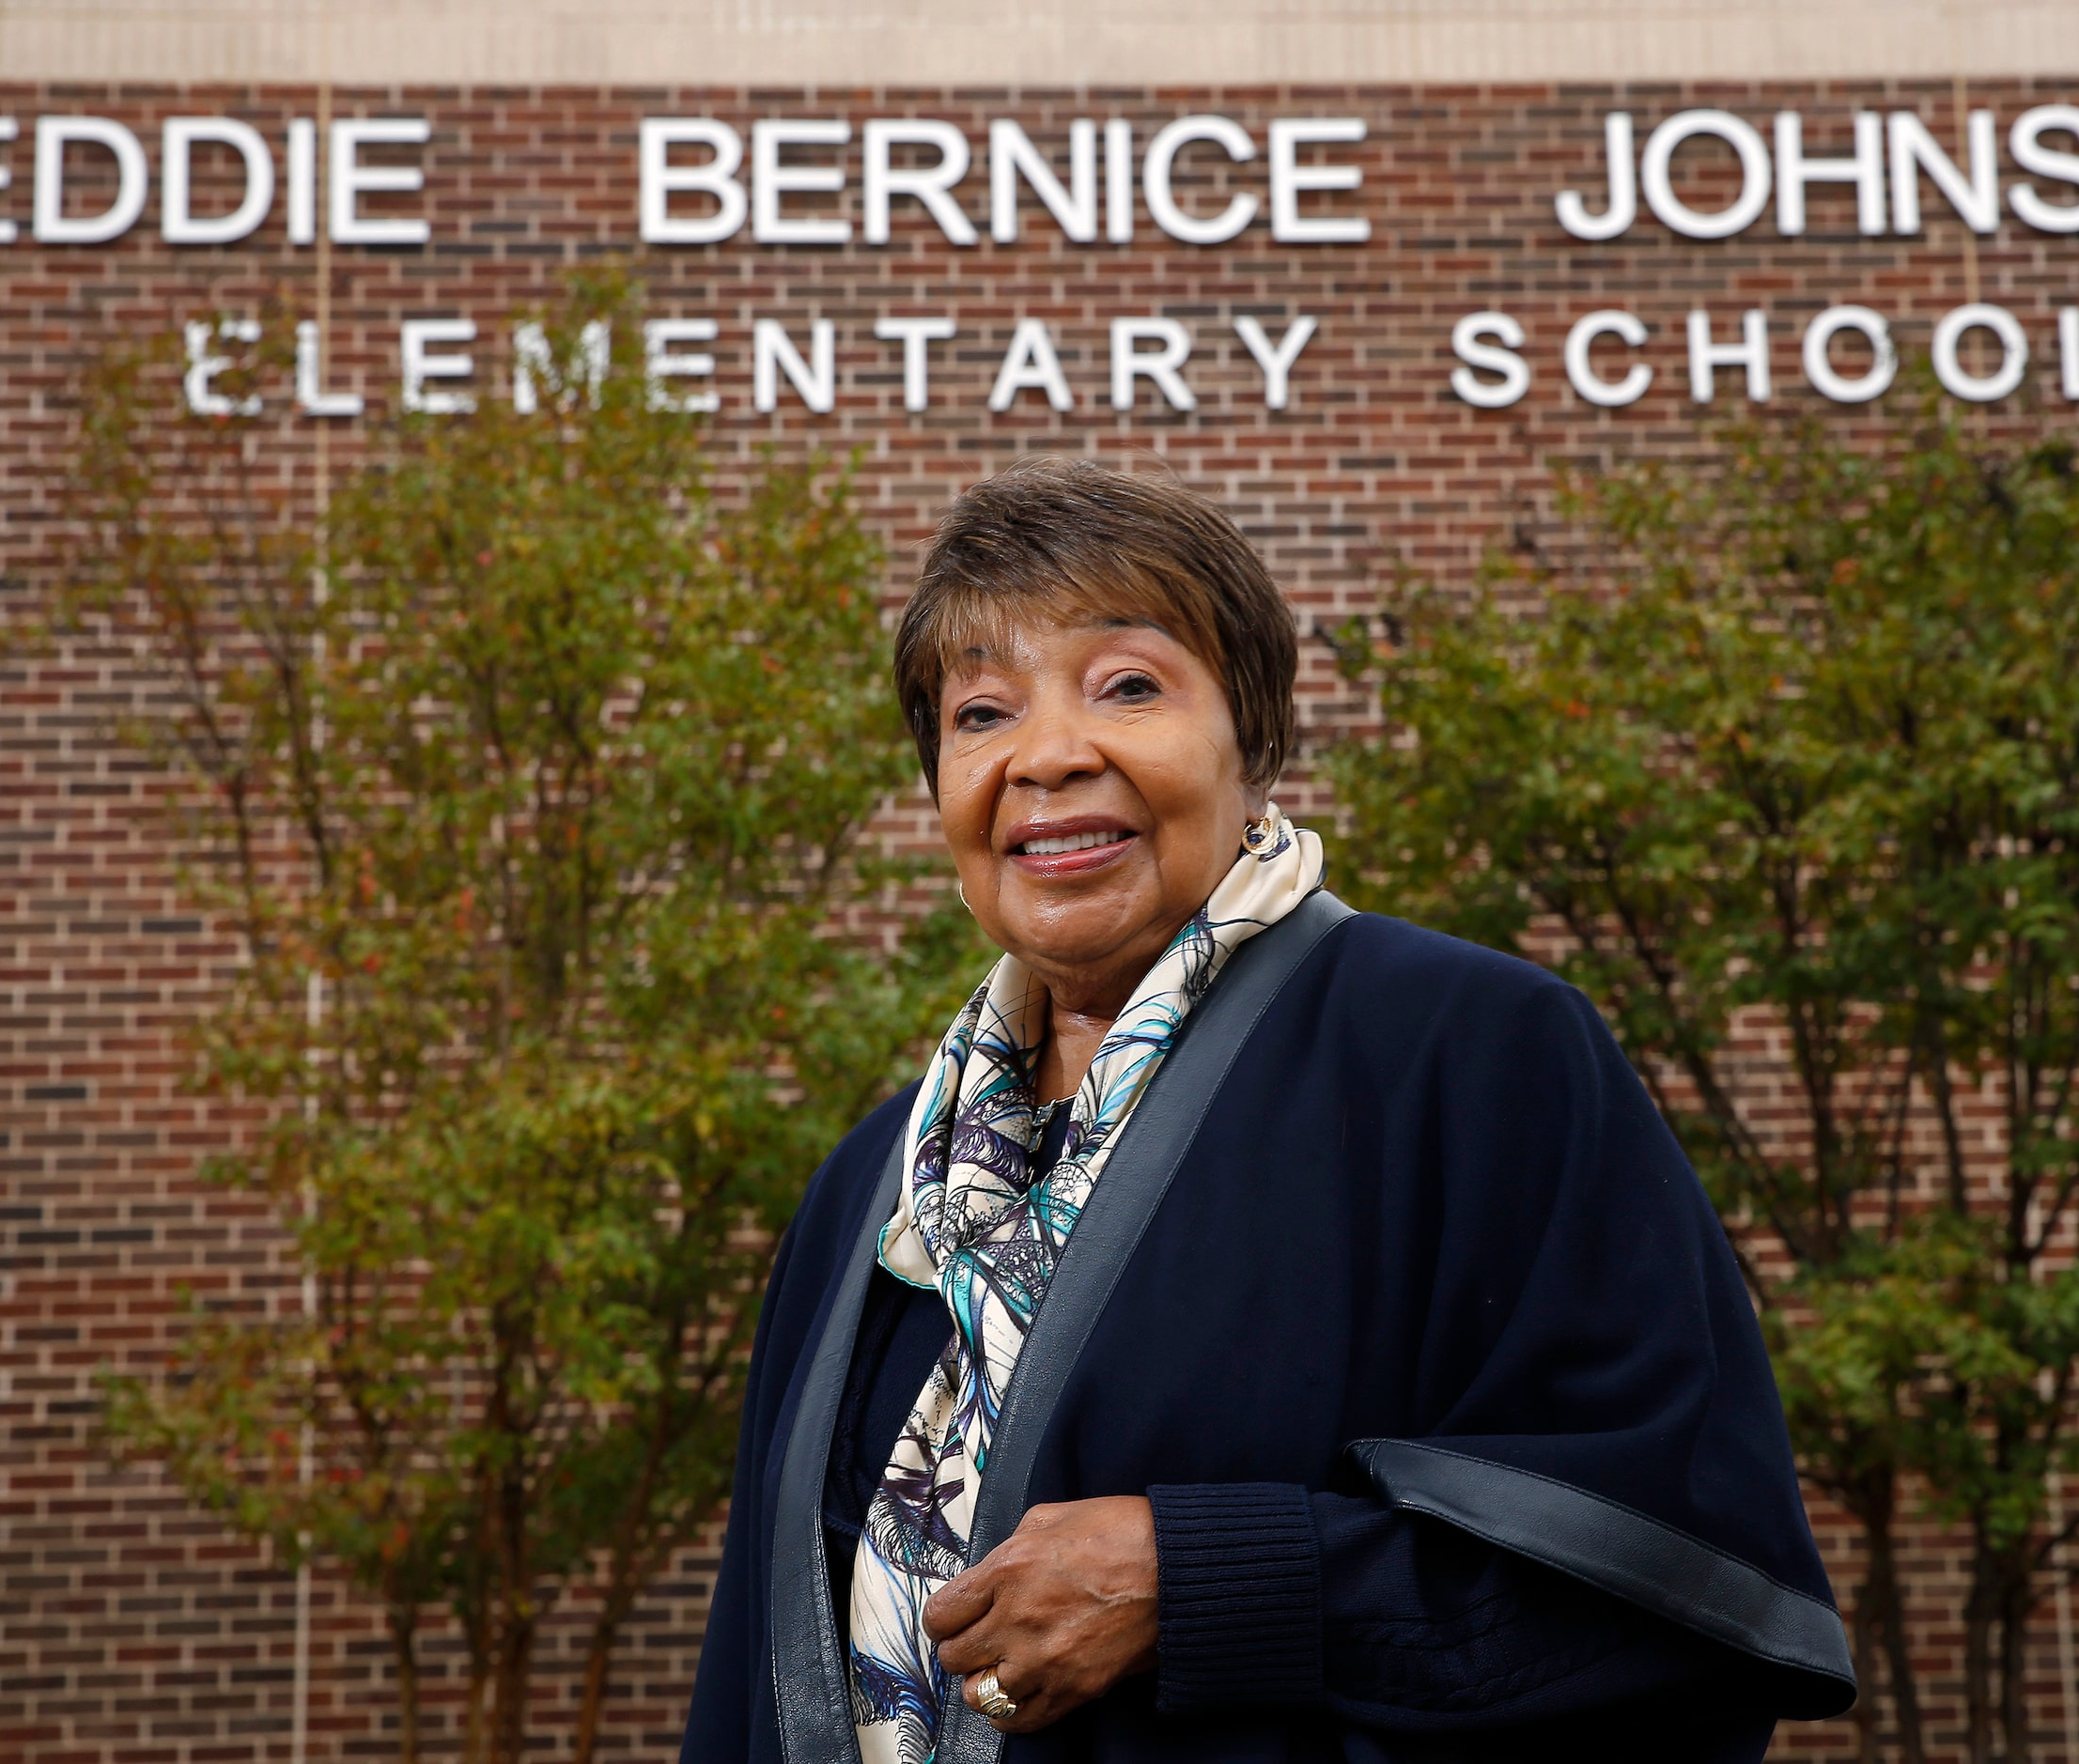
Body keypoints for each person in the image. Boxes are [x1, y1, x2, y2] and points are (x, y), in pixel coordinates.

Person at [679, 457, 1854, 1764]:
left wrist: (1211, 1577)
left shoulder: (1464, 1055)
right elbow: (751, 1673)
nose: (1048, 755)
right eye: (981, 713)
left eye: (1128, 685)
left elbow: (1676, 1597)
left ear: (1251, 741)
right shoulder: (871, 1184)